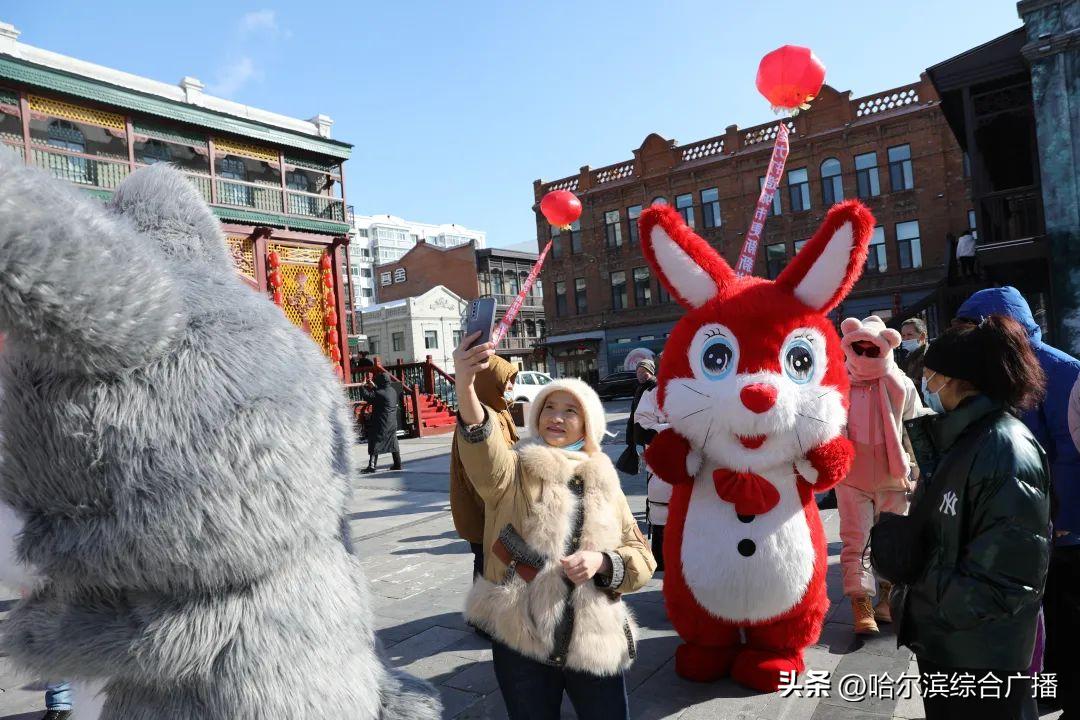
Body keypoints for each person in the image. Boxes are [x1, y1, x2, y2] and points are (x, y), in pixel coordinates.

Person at [453, 331, 655, 720]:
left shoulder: (606, 479)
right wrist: (465, 384)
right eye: (549, 408)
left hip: (593, 638)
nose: (557, 417)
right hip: (522, 636)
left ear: (588, 424)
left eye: (570, 410)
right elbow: (482, 445)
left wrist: (603, 562)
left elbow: (641, 556)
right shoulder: (513, 470)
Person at [895, 315, 1050, 720]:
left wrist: (914, 595)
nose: (925, 386)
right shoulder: (963, 438)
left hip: (982, 661)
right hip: (953, 648)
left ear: (956, 380)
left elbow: (1003, 583)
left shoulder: (1005, 451)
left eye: (930, 376)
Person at [955, 286, 1080, 717]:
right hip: (1026, 524)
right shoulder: (999, 369)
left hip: (1062, 529)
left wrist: (1067, 516)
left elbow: (1070, 450)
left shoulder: (1062, 371)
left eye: (971, 328)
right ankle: (1048, 691)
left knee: (1066, 618)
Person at [836, 316, 927, 636]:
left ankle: (887, 598)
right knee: (855, 540)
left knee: (891, 541)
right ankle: (860, 601)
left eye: (869, 348)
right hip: (851, 476)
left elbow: (916, 428)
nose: (862, 354)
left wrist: (918, 469)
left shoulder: (900, 383)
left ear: (885, 347)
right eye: (857, 347)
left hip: (893, 474)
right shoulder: (838, 383)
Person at [449, 355, 519, 582]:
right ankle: (481, 615)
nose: (510, 386)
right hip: (482, 509)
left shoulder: (500, 411)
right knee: (485, 563)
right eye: (506, 380)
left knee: (497, 564)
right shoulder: (479, 417)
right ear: (490, 381)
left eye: (512, 381)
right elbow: (477, 473)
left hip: (498, 507)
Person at [632, 354, 669, 571]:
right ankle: (661, 559)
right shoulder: (652, 393)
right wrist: (671, 431)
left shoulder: (697, 391)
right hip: (661, 468)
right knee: (661, 511)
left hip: (694, 473)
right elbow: (641, 427)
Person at [359, 371, 402, 473]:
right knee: (393, 442)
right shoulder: (392, 391)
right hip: (391, 423)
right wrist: (374, 387)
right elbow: (381, 393)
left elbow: (368, 397)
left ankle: (372, 466)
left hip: (381, 423)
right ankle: (397, 464)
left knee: (374, 442)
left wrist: (362, 386)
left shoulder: (379, 393)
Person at [898, 317, 928, 387]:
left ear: (922, 336)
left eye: (909, 334)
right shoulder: (910, 355)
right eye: (903, 336)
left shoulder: (927, 356)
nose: (905, 339)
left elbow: (927, 385)